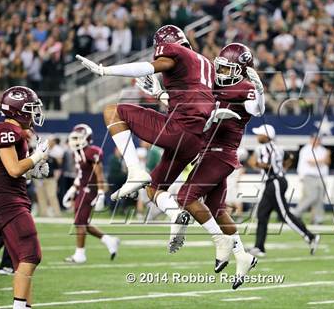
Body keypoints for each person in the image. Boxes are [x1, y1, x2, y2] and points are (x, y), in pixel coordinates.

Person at [137, 43, 265, 289]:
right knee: (217, 209)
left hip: (220, 152)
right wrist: (160, 92)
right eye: (220, 68)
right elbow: (188, 107)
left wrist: (259, 91)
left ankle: (221, 241)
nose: (221, 73)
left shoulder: (245, 88)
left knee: (186, 196)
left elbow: (257, 110)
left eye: (228, 69)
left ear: (241, 71)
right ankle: (243, 256)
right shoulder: (213, 84)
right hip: (207, 151)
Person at [76, 25, 217, 236]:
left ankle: (134, 170)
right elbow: (193, 103)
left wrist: (106, 70)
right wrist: (160, 94)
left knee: (112, 111)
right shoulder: (205, 64)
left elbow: (150, 67)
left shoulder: (174, 53)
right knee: (153, 188)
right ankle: (183, 220)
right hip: (195, 140)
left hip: (179, 129)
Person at [0, 86, 49, 309]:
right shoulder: (6, 129)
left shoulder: (18, 133)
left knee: (20, 260)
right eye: (31, 108)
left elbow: (18, 171)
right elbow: (13, 169)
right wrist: (36, 158)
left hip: (9, 199)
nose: (35, 112)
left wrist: (33, 170)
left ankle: (25, 306)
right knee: (30, 254)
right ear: (18, 110)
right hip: (7, 202)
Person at [248, 124, 320, 257]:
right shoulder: (278, 148)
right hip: (275, 181)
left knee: (284, 215)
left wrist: (255, 163)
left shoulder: (264, 148)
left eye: (259, 134)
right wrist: (282, 168)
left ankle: (310, 237)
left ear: (266, 136)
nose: (257, 136)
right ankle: (259, 247)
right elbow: (290, 158)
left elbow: (266, 165)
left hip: (274, 182)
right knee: (262, 214)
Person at [62, 124, 120, 263]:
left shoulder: (91, 152)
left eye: (79, 138)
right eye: (74, 137)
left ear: (87, 138)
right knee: (82, 222)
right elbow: (81, 175)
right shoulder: (77, 152)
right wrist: (73, 189)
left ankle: (80, 254)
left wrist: (100, 193)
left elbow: (99, 175)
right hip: (82, 189)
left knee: (80, 222)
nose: (75, 140)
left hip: (90, 190)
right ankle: (109, 240)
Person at [292, 133, 330, 224]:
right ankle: (296, 213)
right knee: (311, 196)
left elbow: (327, 162)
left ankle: (317, 219)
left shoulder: (323, 150)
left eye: (318, 139)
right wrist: (324, 159)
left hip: (321, 176)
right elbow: (311, 162)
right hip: (309, 176)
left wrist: (325, 158)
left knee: (320, 198)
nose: (317, 141)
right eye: (315, 139)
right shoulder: (306, 149)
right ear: (311, 139)